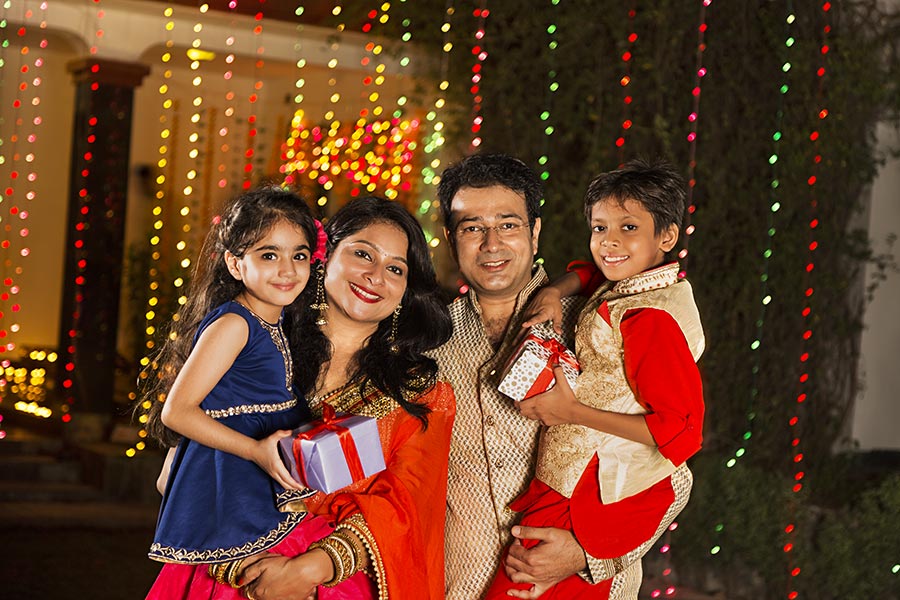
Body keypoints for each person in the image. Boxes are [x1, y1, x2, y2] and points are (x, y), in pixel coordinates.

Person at [143, 186, 380, 599]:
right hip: (237, 474)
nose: (287, 270)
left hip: (263, 471)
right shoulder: (235, 324)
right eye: (269, 255)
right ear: (236, 264)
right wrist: (254, 451)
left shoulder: (277, 321)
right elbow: (177, 412)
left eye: (299, 255)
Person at [485, 158, 706, 599]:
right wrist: (554, 290)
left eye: (628, 228)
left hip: (591, 499)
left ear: (666, 236)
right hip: (567, 485)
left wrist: (573, 412)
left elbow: (682, 432)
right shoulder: (630, 286)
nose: (609, 243)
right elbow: (589, 274)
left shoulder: (650, 318)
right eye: (600, 228)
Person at [236, 196, 455, 600]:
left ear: (406, 291)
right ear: (324, 260)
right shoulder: (255, 350)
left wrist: (310, 569)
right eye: (362, 254)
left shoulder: (420, 393)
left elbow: (407, 504)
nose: (376, 276)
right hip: (234, 563)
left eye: (395, 268)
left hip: (335, 583)